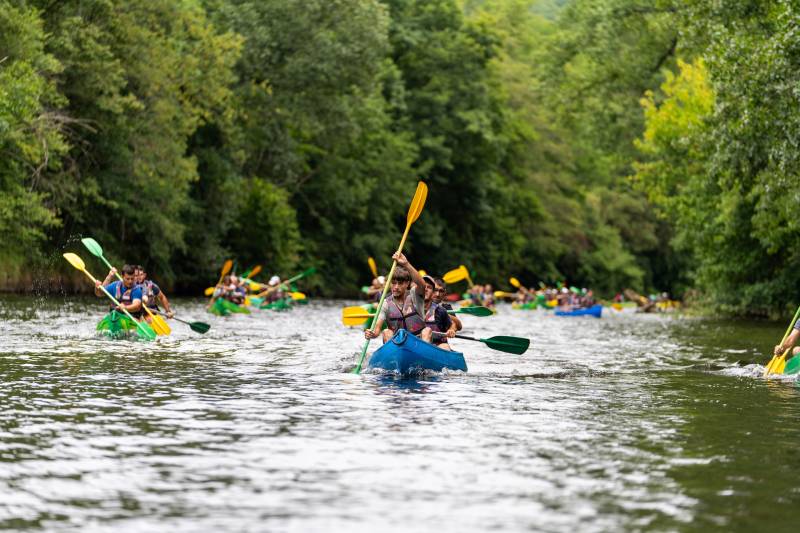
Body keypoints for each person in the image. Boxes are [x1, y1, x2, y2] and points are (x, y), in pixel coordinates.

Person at [364, 252, 432, 344]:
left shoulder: (415, 296)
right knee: (386, 332)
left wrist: (406, 264)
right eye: (393, 283)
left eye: (400, 283)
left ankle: (425, 355)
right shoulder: (385, 303)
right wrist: (372, 333)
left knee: (427, 330)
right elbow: (377, 329)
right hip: (397, 345)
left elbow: (422, 284)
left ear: (407, 283)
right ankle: (392, 356)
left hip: (418, 343)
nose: (396, 287)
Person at [422, 275, 457, 350]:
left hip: (437, 345)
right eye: (436, 290)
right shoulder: (411, 305)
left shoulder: (443, 309)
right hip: (416, 343)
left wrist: (451, 330)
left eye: (441, 291)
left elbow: (455, 324)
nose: (437, 294)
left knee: (445, 347)